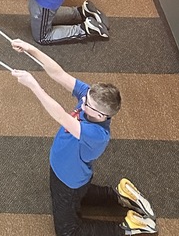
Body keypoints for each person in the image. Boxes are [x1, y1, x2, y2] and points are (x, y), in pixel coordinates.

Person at [10, 40, 158, 234]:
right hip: (65, 173)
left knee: (68, 231)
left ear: (101, 116)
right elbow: (58, 74)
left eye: (86, 103)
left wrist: (34, 87)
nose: (82, 101)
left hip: (70, 181)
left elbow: (61, 116)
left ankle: (128, 228)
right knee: (76, 195)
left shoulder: (96, 134)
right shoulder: (91, 98)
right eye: (86, 97)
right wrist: (31, 50)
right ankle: (120, 196)